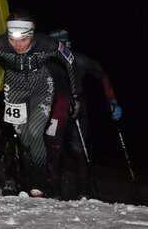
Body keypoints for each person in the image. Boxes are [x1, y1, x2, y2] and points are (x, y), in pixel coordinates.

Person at [0, 12, 80, 198]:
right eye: (13, 40)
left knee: (35, 132)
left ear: (32, 34)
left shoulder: (47, 44)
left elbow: (71, 61)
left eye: (23, 40)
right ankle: (28, 179)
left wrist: (75, 96)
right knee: (25, 139)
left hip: (41, 87)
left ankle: (39, 183)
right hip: (14, 88)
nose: (18, 45)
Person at [44, 28, 122, 199]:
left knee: (80, 151)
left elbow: (101, 74)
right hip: (55, 111)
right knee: (54, 150)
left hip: (78, 110)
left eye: (60, 45)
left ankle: (83, 192)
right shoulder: (47, 62)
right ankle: (54, 191)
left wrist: (112, 101)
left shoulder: (79, 59)